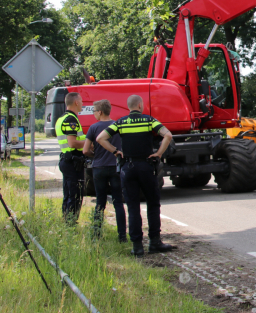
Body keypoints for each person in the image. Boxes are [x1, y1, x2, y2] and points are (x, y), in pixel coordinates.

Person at [97, 95, 175, 257]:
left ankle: (137, 246)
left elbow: (100, 138)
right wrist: (159, 153)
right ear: (140, 105)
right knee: (153, 204)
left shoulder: (120, 122)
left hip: (128, 167)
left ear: (129, 106)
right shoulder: (149, 120)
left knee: (133, 207)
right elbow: (167, 135)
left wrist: (115, 151)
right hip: (146, 166)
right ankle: (154, 242)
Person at [83, 99, 127, 242]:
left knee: (100, 202)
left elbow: (85, 150)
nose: (94, 114)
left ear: (100, 112)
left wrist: (95, 155)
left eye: (94, 111)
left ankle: (96, 234)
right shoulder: (117, 126)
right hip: (115, 167)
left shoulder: (93, 128)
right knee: (118, 202)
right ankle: (122, 236)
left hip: (99, 167)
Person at [55, 92, 86, 224]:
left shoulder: (62, 118)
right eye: (81, 101)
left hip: (67, 160)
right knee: (75, 195)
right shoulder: (71, 120)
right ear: (76, 102)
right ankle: (70, 223)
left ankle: (66, 221)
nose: (83, 104)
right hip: (73, 162)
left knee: (68, 194)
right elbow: (72, 143)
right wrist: (90, 143)